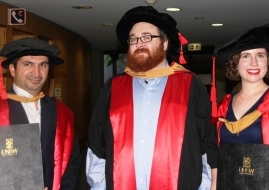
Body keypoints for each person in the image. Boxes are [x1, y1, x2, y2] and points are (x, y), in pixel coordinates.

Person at [86, 6, 218, 190]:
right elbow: (97, 146)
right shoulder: (113, 87)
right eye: (133, 39)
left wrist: (205, 186)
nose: (139, 43)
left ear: (164, 43)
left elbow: (207, 142)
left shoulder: (191, 85)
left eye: (147, 37)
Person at [0, 38, 81, 190]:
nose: (36, 72)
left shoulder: (61, 112)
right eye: (28, 64)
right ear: (12, 69)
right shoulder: (1, 110)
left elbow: (72, 161)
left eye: (43, 65)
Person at [214, 23, 269, 189]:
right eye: (245, 56)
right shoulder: (223, 106)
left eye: (260, 55)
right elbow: (216, 154)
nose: (254, 62)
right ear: (235, 64)